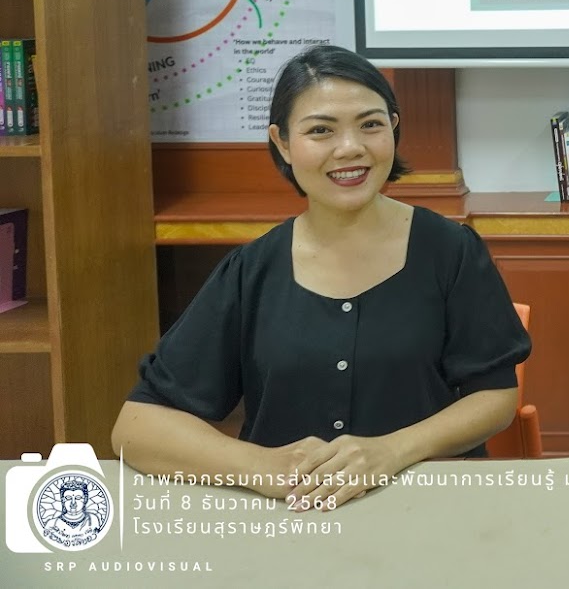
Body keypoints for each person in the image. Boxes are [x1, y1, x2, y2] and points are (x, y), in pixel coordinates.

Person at [112, 45, 530, 510]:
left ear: (393, 127)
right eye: (320, 130)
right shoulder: (252, 269)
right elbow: (137, 426)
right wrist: (260, 466)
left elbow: (495, 397)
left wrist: (391, 451)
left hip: (425, 508)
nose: (350, 148)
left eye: (370, 124)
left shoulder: (451, 250)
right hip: (290, 516)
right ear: (282, 143)